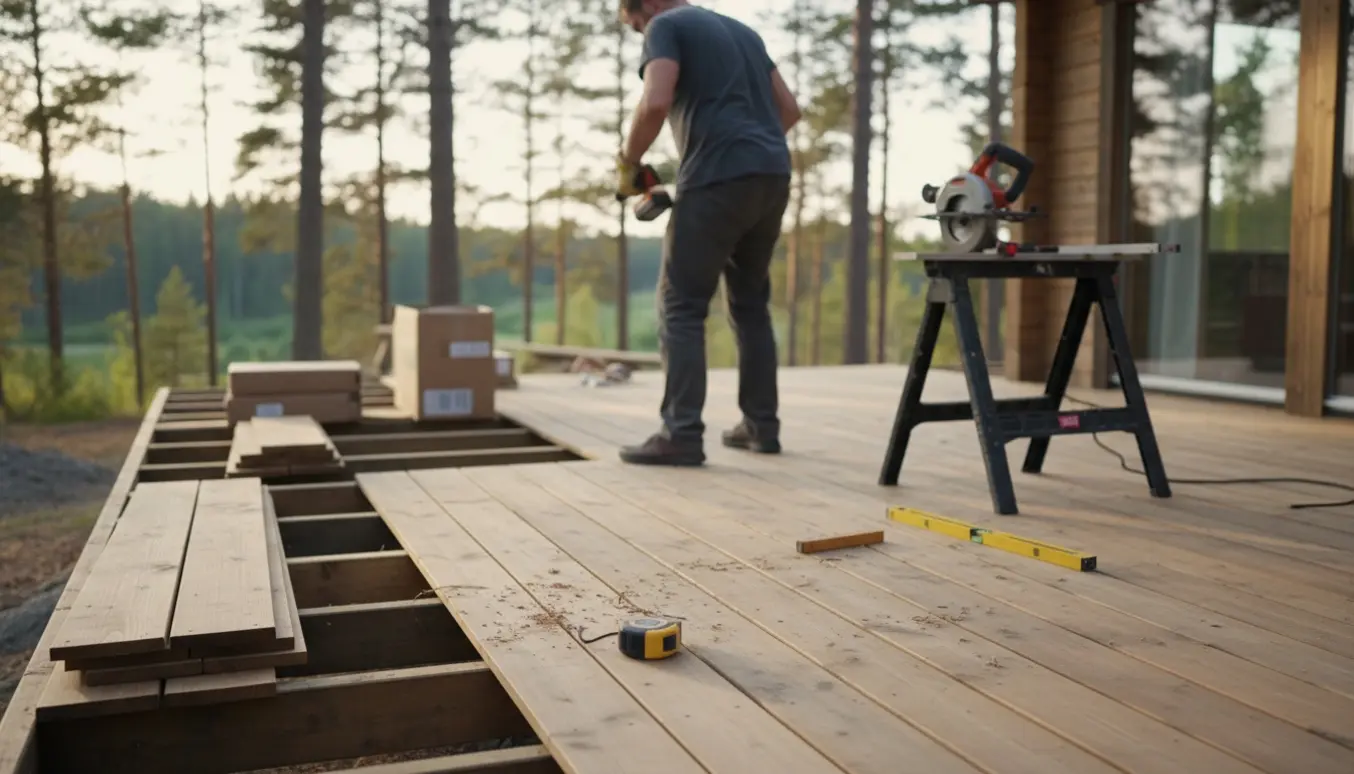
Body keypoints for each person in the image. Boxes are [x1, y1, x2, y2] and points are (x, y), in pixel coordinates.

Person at [614, 0, 802, 467]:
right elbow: (790, 110)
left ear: (648, 6)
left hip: (717, 179)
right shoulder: (742, 32)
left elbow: (656, 99)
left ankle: (680, 433)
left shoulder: (666, 26)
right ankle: (761, 426)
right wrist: (749, 147)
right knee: (750, 303)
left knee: (679, 305)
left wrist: (629, 163)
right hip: (771, 175)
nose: (643, 34)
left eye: (637, 25)